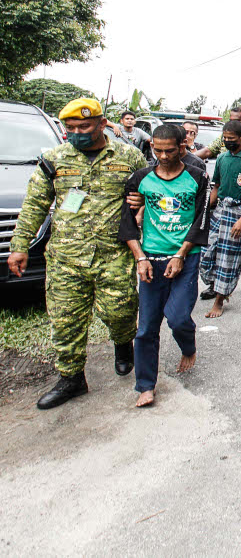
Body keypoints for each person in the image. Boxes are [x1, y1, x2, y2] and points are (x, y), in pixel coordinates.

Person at [7, 98, 146, 410]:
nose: (77, 132)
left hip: (114, 254)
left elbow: (153, 190)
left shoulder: (129, 156)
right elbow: (34, 205)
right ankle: (72, 378)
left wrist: (141, 205)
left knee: (120, 313)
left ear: (101, 123)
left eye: (84, 126)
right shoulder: (54, 159)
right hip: (66, 258)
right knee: (65, 322)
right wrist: (19, 247)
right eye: (70, 128)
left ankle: (124, 345)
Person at [119, 125, 210, 407]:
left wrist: (181, 254)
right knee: (146, 327)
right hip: (151, 259)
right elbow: (126, 223)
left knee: (178, 316)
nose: (162, 156)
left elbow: (201, 220)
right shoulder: (140, 178)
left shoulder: (197, 176)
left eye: (169, 150)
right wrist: (140, 257)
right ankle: (145, 385)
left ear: (182, 146)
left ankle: (189, 347)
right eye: (157, 150)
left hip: (186, 255)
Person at [195, 107, 241, 297]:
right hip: (225, 202)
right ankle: (215, 283)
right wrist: (186, 157)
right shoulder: (226, 140)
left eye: (236, 120)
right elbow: (208, 151)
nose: (227, 140)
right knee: (216, 245)